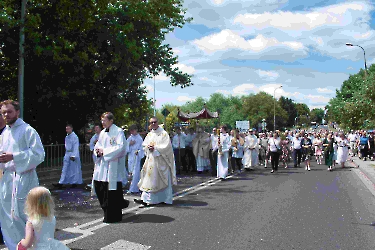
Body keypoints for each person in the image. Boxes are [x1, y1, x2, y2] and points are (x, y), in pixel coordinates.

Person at [0, 100, 45, 250]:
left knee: (26, 214)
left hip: (24, 178)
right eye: (3, 112)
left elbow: (39, 154)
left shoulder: (28, 130)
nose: (6, 115)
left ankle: (32, 245)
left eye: (9, 111)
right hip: (7, 178)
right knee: (8, 216)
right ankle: (14, 246)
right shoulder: (5, 133)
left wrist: (15, 156)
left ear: (17, 112)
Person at [94, 112, 129, 223]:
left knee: (112, 191)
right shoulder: (103, 132)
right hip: (103, 166)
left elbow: (121, 147)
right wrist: (98, 152)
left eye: (104, 120)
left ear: (111, 121)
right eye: (102, 120)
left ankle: (114, 216)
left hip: (113, 165)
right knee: (101, 188)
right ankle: (106, 211)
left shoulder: (118, 131)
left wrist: (105, 152)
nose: (102, 122)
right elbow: (98, 145)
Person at [135, 117, 177, 205]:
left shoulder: (164, 134)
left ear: (158, 122)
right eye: (151, 122)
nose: (153, 124)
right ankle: (145, 199)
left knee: (160, 180)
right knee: (148, 179)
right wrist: (148, 148)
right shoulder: (149, 135)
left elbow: (167, 147)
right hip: (151, 160)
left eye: (155, 122)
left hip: (161, 161)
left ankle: (164, 199)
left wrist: (155, 148)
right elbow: (144, 145)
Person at [126, 124, 144, 194]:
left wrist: (138, 152)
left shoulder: (139, 138)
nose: (132, 132)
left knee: (135, 172)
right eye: (131, 131)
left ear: (136, 130)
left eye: (133, 130)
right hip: (130, 156)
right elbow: (125, 147)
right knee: (130, 172)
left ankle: (134, 188)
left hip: (136, 156)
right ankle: (133, 187)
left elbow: (142, 149)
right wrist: (129, 144)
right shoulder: (130, 138)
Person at [87, 124, 102, 193]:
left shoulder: (103, 134)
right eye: (95, 128)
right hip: (95, 154)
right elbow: (91, 144)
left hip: (102, 154)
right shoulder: (94, 136)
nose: (96, 129)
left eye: (97, 128)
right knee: (96, 168)